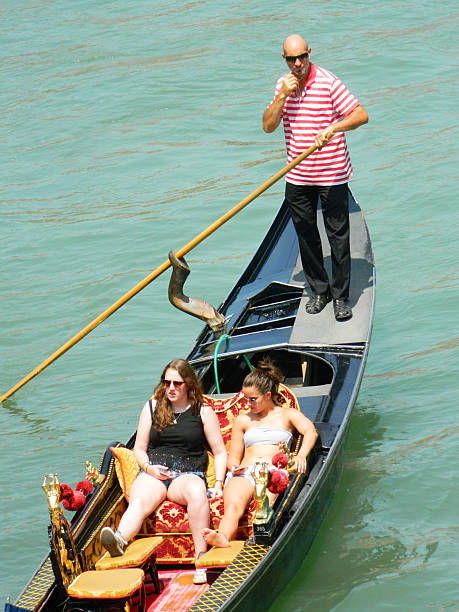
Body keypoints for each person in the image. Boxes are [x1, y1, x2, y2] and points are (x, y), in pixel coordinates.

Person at [263, 34, 369, 321]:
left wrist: (333, 128)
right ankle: (320, 291)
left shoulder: (328, 82)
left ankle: (341, 297)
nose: (297, 64)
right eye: (291, 59)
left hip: (332, 173)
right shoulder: (281, 85)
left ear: (309, 53)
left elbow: (360, 115)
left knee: (337, 237)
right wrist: (283, 95)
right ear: (283, 59)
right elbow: (269, 126)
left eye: (302, 57)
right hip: (297, 175)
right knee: (306, 236)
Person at [100, 358, 227, 584]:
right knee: (139, 500)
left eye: (177, 383)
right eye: (167, 382)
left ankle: (201, 558)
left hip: (188, 474)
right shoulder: (152, 407)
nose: (171, 388)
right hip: (156, 471)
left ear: (188, 384)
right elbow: (139, 449)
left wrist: (218, 483)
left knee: (198, 492)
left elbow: (219, 452)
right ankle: (119, 540)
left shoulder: (202, 411)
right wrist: (149, 468)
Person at [203, 359, 317, 548]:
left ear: (268, 395)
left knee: (268, 505)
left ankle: (263, 542)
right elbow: (233, 456)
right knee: (233, 507)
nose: (247, 404)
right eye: (245, 399)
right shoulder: (243, 420)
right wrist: (234, 467)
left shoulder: (287, 414)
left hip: (273, 471)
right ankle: (222, 538)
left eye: (252, 399)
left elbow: (310, 431)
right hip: (245, 471)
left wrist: (301, 455)